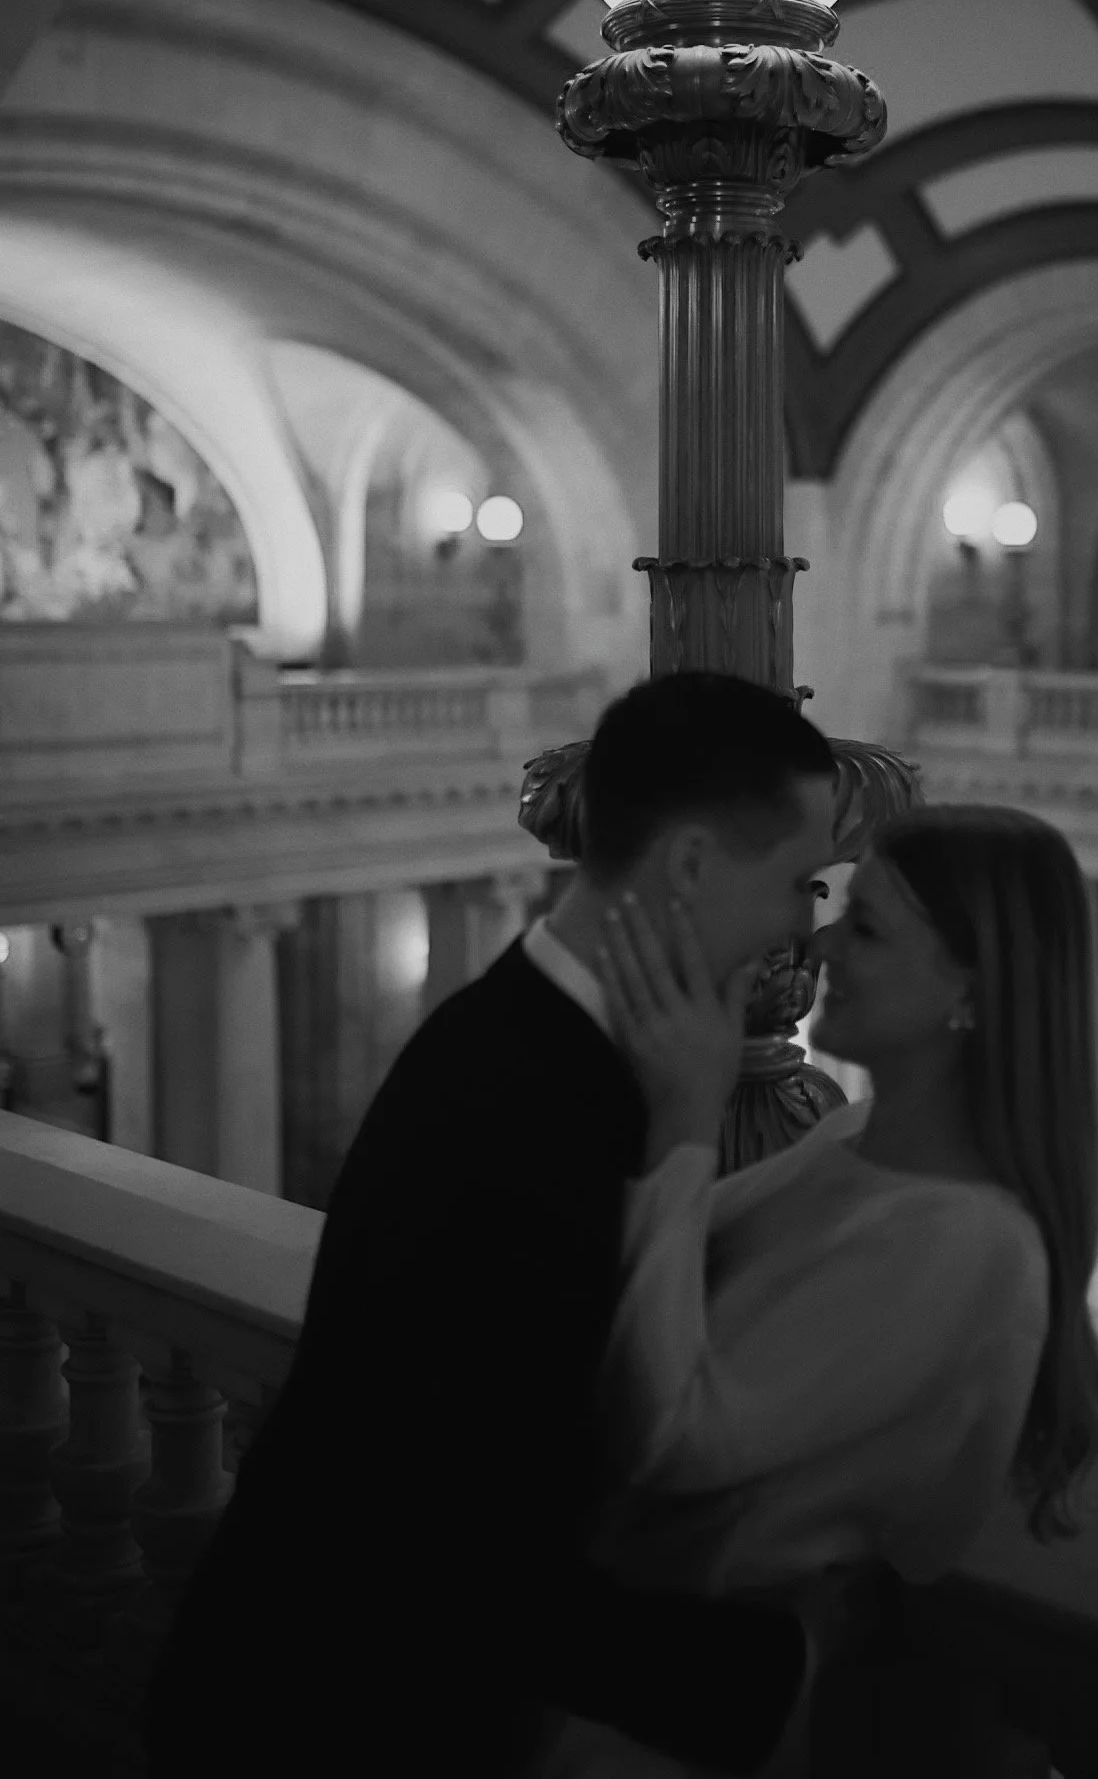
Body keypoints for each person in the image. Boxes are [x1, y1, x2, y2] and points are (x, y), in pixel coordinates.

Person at [141, 671, 842, 1778]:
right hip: (327, 1717)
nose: (806, 927)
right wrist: (785, 1676)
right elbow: (462, 1551)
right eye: (799, 880)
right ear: (694, 864)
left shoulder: (515, 1038)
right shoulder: (530, 1103)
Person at [539, 804, 1098, 1779]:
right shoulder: (852, 1135)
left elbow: (671, 1438)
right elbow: (648, 1261)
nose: (822, 940)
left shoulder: (973, 1241)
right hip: (644, 1657)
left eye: (870, 927)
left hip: (709, 1710)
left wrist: (684, 1110)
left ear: (970, 987)